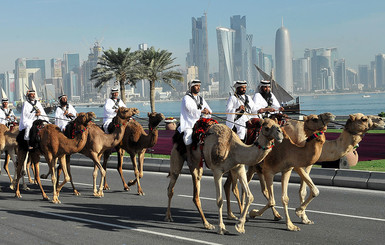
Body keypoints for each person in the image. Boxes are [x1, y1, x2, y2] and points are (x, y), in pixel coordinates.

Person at [179, 79, 212, 165]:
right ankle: (189, 156)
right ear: (191, 87)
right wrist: (202, 111)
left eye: (199, 86)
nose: (198, 87)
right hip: (189, 123)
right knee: (188, 136)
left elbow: (209, 109)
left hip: (200, 122)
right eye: (196, 86)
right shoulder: (186, 98)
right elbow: (189, 108)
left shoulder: (201, 98)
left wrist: (207, 111)